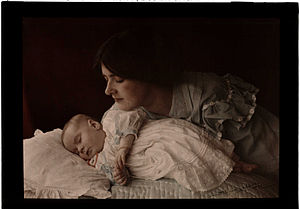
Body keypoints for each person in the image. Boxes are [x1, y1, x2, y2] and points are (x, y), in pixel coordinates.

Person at [94, 28, 279, 182]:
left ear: (145, 73)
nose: (108, 90)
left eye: (118, 79)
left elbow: (268, 154)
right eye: (105, 79)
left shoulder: (211, 99)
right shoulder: (132, 109)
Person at [61, 109, 257, 192]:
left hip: (157, 136)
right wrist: (121, 175)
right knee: (182, 163)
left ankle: (235, 161)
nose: (81, 149)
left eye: (79, 140)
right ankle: (232, 166)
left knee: (188, 142)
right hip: (154, 158)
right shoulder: (101, 161)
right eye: (76, 151)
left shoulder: (111, 121)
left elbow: (133, 115)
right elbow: (114, 178)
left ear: (94, 125)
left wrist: (124, 146)